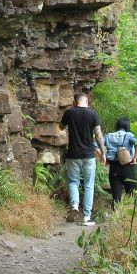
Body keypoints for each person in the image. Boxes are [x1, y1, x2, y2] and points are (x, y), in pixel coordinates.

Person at [59, 92, 105, 226]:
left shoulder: (69, 113)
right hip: (89, 155)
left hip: (73, 154)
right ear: (87, 102)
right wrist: (102, 152)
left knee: (73, 182)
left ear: (75, 102)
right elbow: (98, 135)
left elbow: (61, 127)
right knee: (89, 185)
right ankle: (86, 217)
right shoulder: (93, 114)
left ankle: (74, 207)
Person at [104, 117, 137, 205]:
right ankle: (129, 216)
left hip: (113, 168)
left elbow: (95, 145)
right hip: (127, 167)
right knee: (131, 195)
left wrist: (103, 157)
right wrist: (134, 158)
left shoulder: (109, 136)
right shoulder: (129, 135)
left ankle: (114, 215)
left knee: (116, 198)